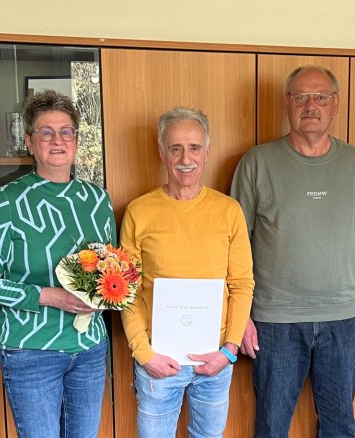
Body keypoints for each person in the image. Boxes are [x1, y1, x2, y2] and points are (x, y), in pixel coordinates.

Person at [230, 65, 355, 437]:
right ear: (287, 104)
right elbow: (233, 246)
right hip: (273, 321)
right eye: (301, 97)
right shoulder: (257, 162)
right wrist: (240, 316)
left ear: (335, 105)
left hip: (341, 321)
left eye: (320, 97)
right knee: (270, 426)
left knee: (340, 425)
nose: (310, 105)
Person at [0, 90, 115, 438]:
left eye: (66, 131)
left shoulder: (97, 200)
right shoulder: (8, 201)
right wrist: (49, 296)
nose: (58, 140)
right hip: (32, 351)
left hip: (90, 348)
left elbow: (112, 271)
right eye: (46, 132)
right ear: (31, 143)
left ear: (77, 141)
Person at [120, 107, 254, 437]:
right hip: (158, 362)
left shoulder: (229, 211)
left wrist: (230, 350)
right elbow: (125, 291)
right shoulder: (139, 212)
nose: (185, 158)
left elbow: (241, 284)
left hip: (215, 361)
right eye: (176, 148)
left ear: (207, 152)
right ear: (161, 151)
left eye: (194, 148)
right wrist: (143, 352)